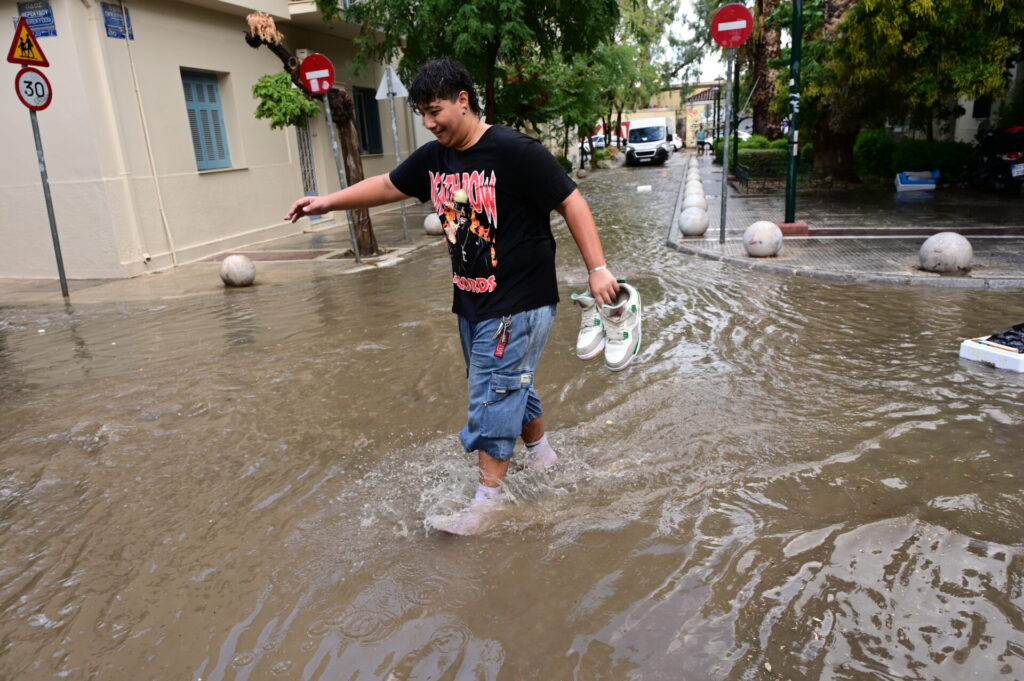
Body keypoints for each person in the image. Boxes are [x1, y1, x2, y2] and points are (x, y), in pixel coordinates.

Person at [284, 58, 619, 534]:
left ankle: (488, 501)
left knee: (494, 390)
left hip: (519, 301)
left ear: (464, 100)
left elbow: (571, 200)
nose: (428, 122)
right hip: (472, 301)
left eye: (434, 110)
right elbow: (385, 185)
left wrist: (598, 269)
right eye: (421, 112)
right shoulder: (435, 158)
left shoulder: (514, 150)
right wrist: (327, 201)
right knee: (507, 381)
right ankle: (543, 458)